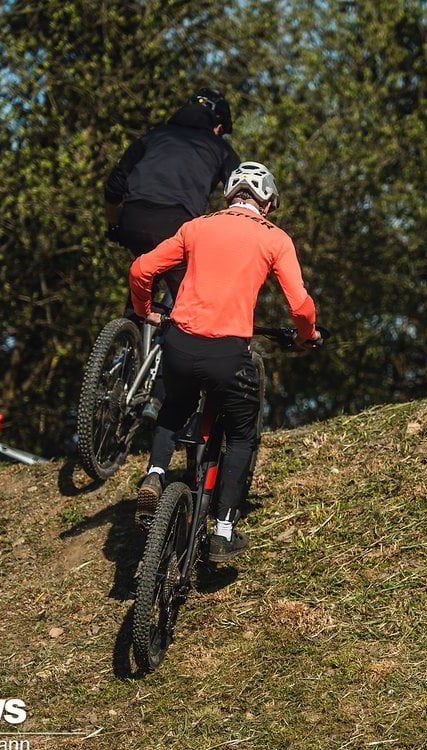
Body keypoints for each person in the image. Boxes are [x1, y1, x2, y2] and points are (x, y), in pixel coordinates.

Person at [128, 161, 320, 563]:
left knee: (173, 406)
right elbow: (300, 305)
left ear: (230, 194)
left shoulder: (196, 226)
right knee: (242, 434)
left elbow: (141, 268)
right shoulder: (275, 238)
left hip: (180, 345)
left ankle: (157, 474)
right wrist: (307, 336)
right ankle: (223, 531)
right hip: (226, 354)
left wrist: (145, 309)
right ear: (266, 202)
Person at [103, 87, 241, 419]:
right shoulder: (221, 148)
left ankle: (120, 358)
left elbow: (113, 185)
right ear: (218, 124)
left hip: (133, 218)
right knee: (187, 309)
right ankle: (159, 397)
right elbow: (239, 195)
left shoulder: (154, 136)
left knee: (142, 289)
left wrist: (115, 226)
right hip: (177, 225)